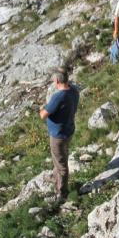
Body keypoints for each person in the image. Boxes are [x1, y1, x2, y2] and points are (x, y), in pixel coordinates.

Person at [38, 69, 80, 202]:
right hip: (68, 130)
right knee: (60, 157)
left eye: (53, 80)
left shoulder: (58, 96)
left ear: (57, 81)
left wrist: (42, 108)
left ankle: (62, 193)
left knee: (61, 164)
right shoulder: (73, 91)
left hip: (58, 135)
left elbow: (43, 115)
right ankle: (55, 177)